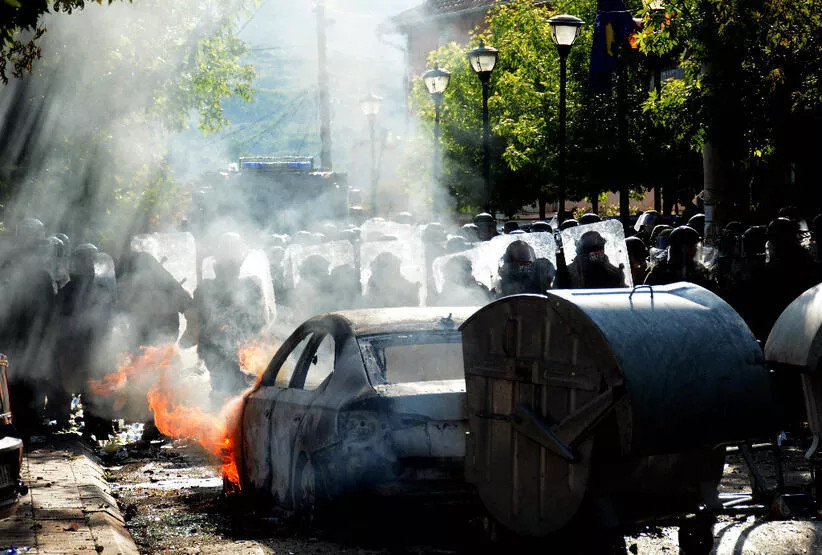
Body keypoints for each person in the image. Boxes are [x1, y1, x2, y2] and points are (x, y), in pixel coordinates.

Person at [185, 233, 266, 404]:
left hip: (239, 353)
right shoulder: (206, 289)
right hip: (217, 352)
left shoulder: (250, 288)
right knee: (226, 392)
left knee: (236, 394)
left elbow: (260, 321)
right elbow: (196, 323)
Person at [0, 218, 57, 438]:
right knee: (18, 381)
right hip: (18, 334)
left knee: (24, 381)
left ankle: (24, 424)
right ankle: (22, 424)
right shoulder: (18, 270)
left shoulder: (36, 273)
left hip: (24, 335)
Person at [53, 244, 117, 437]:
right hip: (83, 346)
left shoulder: (78, 290)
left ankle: (100, 425)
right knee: (94, 385)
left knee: (95, 385)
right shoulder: (81, 290)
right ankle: (99, 426)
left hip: (89, 345)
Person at [117, 251, 192, 349]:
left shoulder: (143, 261)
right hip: (139, 334)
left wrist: (190, 313)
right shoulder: (114, 270)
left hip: (165, 330)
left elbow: (176, 292)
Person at [644, 225, 713, 289]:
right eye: (693, 246)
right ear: (682, 249)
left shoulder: (700, 272)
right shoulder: (659, 273)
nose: (696, 250)